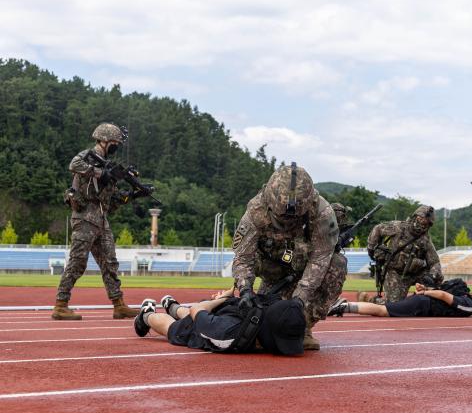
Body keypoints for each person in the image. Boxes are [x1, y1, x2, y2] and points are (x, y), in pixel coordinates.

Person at [231, 162, 346, 351]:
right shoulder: (256, 210)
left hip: (303, 267)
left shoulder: (322, 213)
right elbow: (243, 257)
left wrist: (299, 301)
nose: (288, 223)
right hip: (270, 266)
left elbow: (320, 259)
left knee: (337, 263)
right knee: (262, 317)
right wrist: (245, 289)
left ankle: (302, 328)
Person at [52, 123, 147, 320]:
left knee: (110, 263)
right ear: (104, 141)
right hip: (85, 218)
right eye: (114, 143)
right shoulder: (88, 156)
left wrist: (133, 195)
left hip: (101, 220)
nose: (116, 147)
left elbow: (111, 202)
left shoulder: (108, 165)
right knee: (78, 262)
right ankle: (61, 305)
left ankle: (119, 305)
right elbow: (73, 165)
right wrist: (101, 173)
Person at [133, 289, 306, 356]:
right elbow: (197, 310)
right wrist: (222, 299)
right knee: (175, 329)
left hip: (227, 311)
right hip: (217, 319)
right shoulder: (227, 333)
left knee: (192, 316)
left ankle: (172, 305)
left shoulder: (277, 309)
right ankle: (146, 315)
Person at [366, 205, 443, 303]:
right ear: (415, 217)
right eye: (420, 219)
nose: (422, 223)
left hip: (415, 273)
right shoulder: (398, 227)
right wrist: (372, 249)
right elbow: (378, 229)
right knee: (393, 305)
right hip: (395, 272)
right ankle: (372, 300)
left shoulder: (425, 240)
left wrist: (432, 276)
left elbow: (435, 262)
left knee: (438, 277)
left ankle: (422, 299)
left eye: (426, 222)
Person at [329, 279, 472, 318]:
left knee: (386, 307)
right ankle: (344, 306)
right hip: (423, 304)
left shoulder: (466, 297)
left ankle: (353, 303)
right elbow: (444, 295)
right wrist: (425, 294)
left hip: (423, 303)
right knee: (383, 311)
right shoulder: (469, 306)